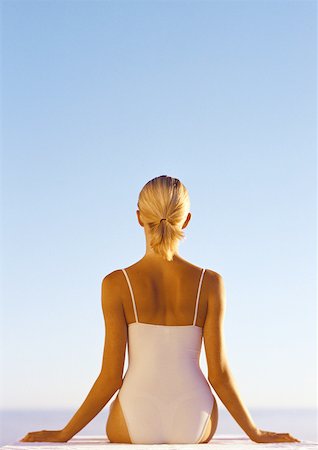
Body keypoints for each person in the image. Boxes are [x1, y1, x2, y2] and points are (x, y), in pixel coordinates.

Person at [20, 175, 300, 444]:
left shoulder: (117, 283)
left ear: (139, 217)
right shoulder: (211, 283)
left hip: (135, 417)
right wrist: (256, 433)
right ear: (186, 220)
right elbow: (219, 374)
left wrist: (64, 433)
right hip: (195, 418)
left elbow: (111, 377)